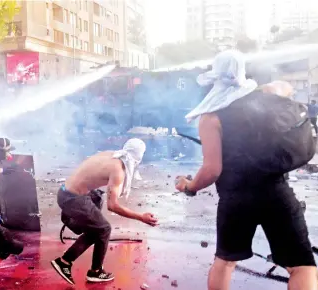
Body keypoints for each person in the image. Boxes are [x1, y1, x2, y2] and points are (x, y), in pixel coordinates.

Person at [175, 50, 317, 290]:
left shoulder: (211, 117)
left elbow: (212, 170)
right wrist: (265, 90)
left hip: (236, 199)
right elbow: (284, 86)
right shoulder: (268, 96)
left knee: (225, 262)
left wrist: (189, 186)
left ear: (215, 78)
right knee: (301, 266)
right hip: (276, 192)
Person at [51, 138, 158, 285]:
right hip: (73, 198)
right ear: (139, 157)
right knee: (104, 229)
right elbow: (112, 206)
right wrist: (141, 217)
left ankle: (64, 262)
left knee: (96, 229)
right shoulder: (118, 171)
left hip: (65, 192)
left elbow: (90, 173)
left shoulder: (111, 154)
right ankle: (96, 272)